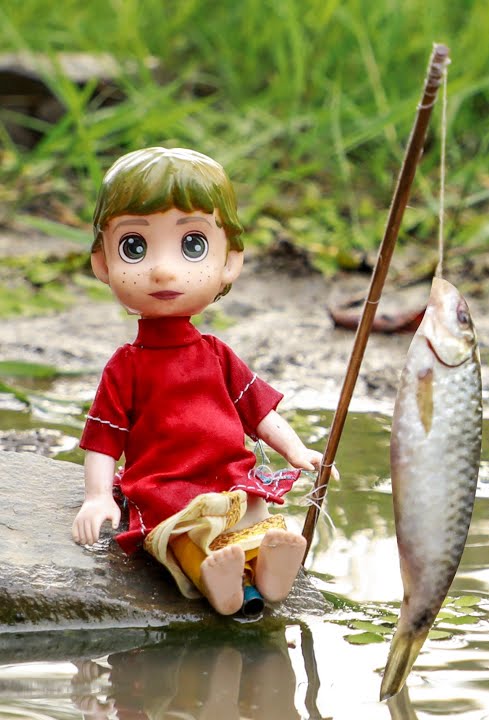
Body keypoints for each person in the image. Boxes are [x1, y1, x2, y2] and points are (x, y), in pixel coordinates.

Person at [71, 146, 324, 615]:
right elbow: (104, 439)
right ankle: (219, 581)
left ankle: (268, 565)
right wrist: (97, 497)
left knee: (253, 513)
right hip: (167, 491)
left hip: (230, 481)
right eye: (135, 246)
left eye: (192, 245)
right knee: (182, 535)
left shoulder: (218, 355)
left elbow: (260, 414)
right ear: (104, 264)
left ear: (230, 262)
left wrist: (297, 451)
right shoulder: (126, 366)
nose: (163, 269)